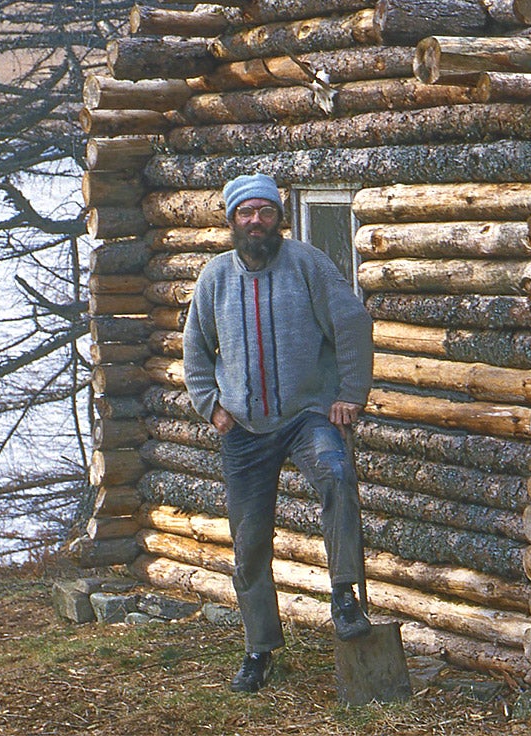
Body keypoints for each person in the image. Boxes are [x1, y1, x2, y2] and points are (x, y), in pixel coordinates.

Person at [182, 173, 375, 693]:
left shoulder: (308, 265)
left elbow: (352, 323)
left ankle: (343, 596)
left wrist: (349, 394)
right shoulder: (215, 278)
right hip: (244, 428)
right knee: (248, 544)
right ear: (231, 221)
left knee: (336, 475)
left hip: (307, 415)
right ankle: (259, 648)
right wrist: (210, 405)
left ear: (279, 218)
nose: (256, 221)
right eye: (246, 213)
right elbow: (195, 347)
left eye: (265, 211)